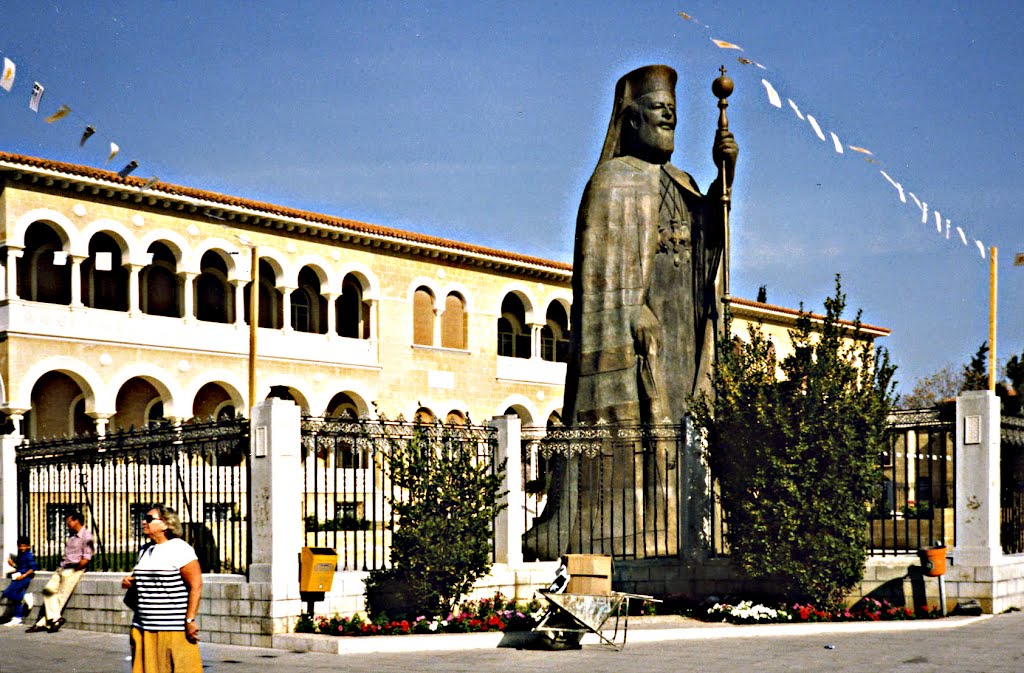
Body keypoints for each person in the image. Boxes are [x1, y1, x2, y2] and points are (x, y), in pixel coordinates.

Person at [526, 64, 739, 560]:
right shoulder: (611, 181)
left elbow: (709, 248)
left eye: (674, 115)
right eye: (659, 112)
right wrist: (632, 310)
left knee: (685, 425)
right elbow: (600, 278)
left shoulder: (681, 180)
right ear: (632, 119)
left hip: (684, 325)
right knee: (641, 433)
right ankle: (631, 531)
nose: (669, 119)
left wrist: (724, 175)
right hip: (642, 336)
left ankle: (690, 530)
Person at [122, 504, 203, 673]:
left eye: (150, 519)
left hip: (172, 628)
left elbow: (195, 585)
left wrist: (190, 620)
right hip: (143, 627)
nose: (144, 522)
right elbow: (146, 578)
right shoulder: (145, 550)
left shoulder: (180, 549)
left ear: (166, 524)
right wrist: (131, 581)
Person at [27, 510, 94, 632]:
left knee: (61, 596)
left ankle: (42, 623)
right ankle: (56, 618)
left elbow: (87, 557)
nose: (66, 523)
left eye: (68, 521)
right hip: (62, 567)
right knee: (48, 590)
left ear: (76, 520)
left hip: (74, 569)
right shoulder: (72, 535)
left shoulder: (87, 536)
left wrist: (75, 570)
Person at [2, 535, 37, 626]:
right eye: (20, 546)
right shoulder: (21, 555)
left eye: (24, 546)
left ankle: (23, 601)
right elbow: (20, 567)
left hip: (23, 578)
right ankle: (18, 617)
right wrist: (13, 565)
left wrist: (24, 576)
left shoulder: (29, 555)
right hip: (18, 577)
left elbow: (33, 568)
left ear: (28, 546)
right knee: (8, 593)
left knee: (9, 593)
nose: (22, 548)